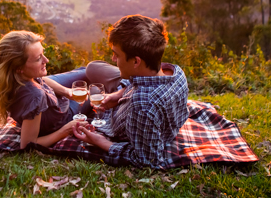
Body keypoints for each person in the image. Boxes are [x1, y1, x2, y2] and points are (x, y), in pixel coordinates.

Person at [72, 15, 189, 168]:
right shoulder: (176, 72)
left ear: (136, 61)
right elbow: (142, 84)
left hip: (120, 117)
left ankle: (47, 82)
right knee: (92, 67)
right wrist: (117, 95)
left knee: (78, 87)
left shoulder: (143, 105)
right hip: (129, 85)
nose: (113, 59)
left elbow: (147, 160)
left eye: (117, 54)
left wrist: (100, 142)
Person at [0, 30, 92, 149]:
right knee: (96, 87)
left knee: (88, 70)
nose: (46, 60)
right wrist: (66, 130)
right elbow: (27, 145)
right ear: (19, 67)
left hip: (51, 95)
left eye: (43, 54)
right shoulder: (35, 96)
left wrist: (66, 91)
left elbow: (42, 80)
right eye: (38, 59)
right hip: (63, 116)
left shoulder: (14, 77)